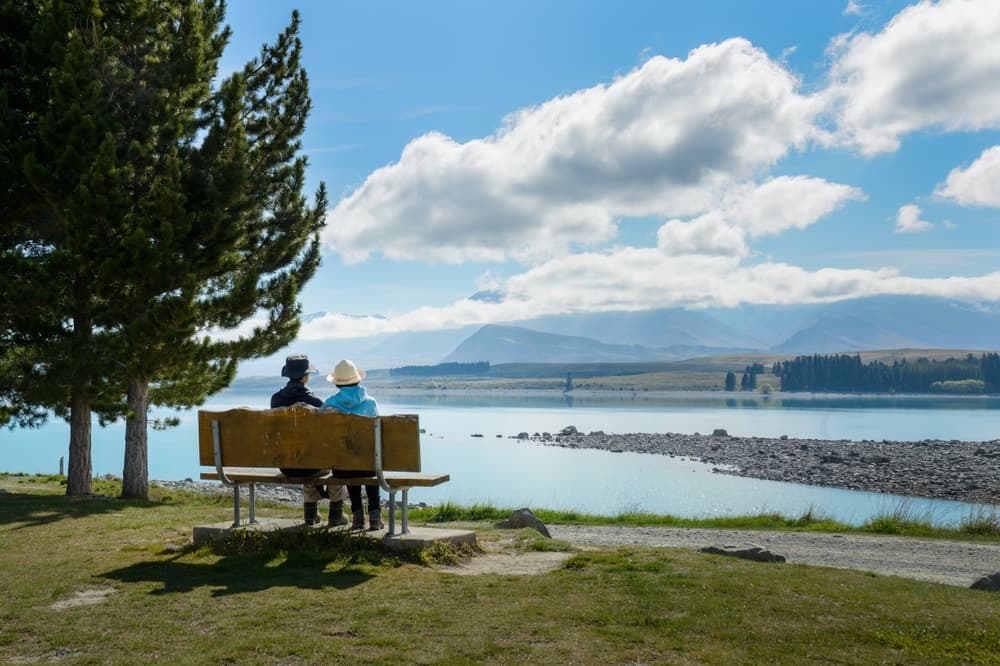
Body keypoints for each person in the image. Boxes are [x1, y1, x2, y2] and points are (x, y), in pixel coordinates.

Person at [270, 354, 348, 527]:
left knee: (302, 455)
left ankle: (310, 515)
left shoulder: (275, 400)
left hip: (287, 465)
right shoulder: (315, 402)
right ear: (306, 376)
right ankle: (336, 515)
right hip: (312, 466)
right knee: (331, 462)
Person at [322, 359, 383, 531]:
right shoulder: (371, 403)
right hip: (368, 466)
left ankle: (357, 517)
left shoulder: (329, 404)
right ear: (358, 379)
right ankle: (375, 517)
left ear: (337, 384)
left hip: (341, 468)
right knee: (369, 462)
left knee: (346, 458)